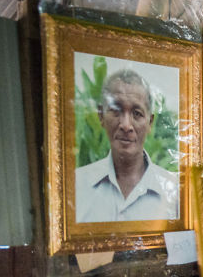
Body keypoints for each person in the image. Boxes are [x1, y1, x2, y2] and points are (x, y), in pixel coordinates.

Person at [75, 69, 178, 223]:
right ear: (101, 115)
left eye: (137, 113)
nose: (126, 125)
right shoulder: (76, 186)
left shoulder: (174, 192)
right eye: (116, 110)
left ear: (150, 122)